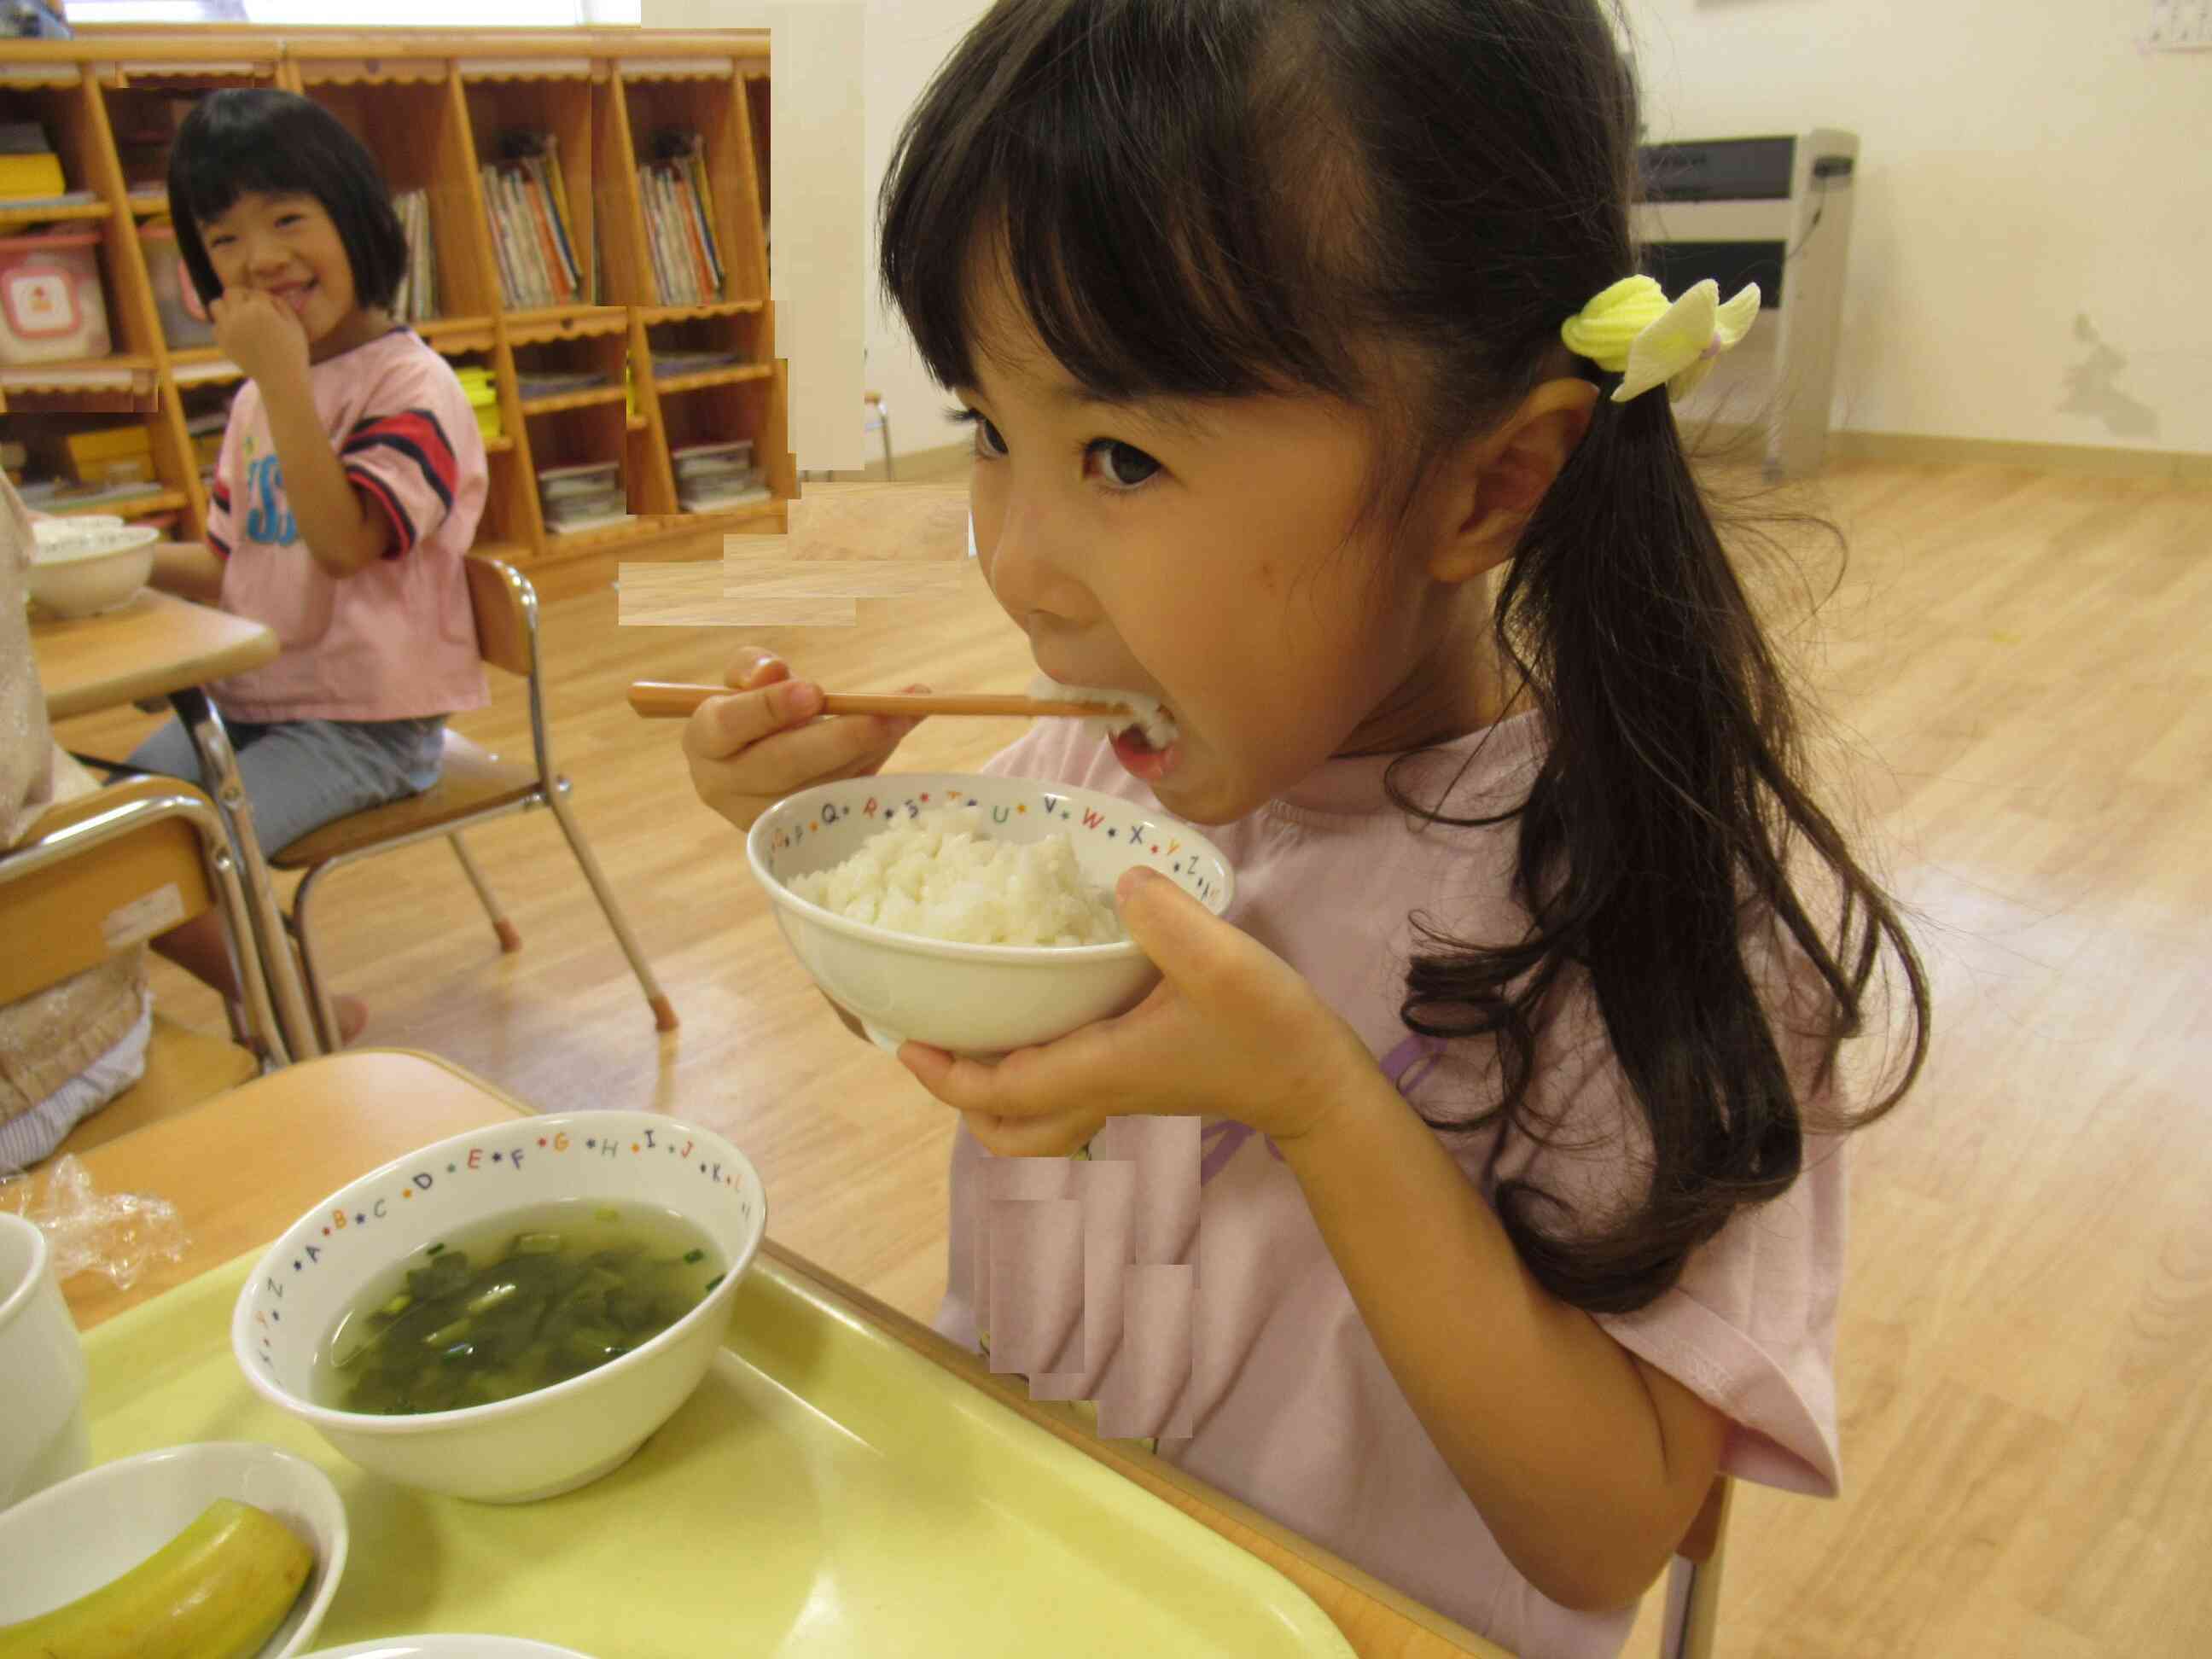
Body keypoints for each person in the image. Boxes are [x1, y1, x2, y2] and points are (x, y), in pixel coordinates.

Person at [682, 3, 1929, 1653]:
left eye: (1116, 455)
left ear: (1482, 488)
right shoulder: (1087, 767)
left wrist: (1314, 1099)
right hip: (1026, 1560)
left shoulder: (1654, 905)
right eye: (993, 429)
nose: (1018, 564)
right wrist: (835, 848)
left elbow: (1602, 1532)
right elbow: (935, 1023)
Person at [119, 89, 488, 1045]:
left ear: (357, 223)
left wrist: (280, 377)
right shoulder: (257, 405)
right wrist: (103, 564)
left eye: (287, 218)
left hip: (368, 724)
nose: (262, 258)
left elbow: (343, 540)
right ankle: (287, 996)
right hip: (255, 701)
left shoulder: (413, 386)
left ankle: (292, 1012)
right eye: (225, 237)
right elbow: (229, 563)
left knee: (168, 860)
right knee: (108, 827)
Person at [3, 478, 153, 1167]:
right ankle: (280, 1008)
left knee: (162, 823)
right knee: (159, 823)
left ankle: (280, 1006)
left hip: (41, 1061)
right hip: (67, 1017)